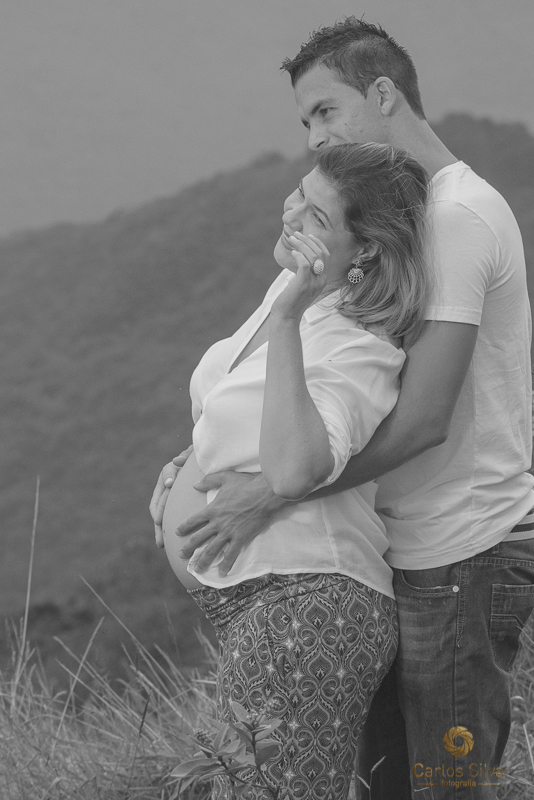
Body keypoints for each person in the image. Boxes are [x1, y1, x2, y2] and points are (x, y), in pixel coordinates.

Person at [151, 18, 534, 799]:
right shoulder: (409, 227)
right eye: (306, 122)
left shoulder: (455, 218)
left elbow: (423, 418)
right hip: (412, 553)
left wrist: (274, 490)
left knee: (445, 785)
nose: (315, 139)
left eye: (326, 111)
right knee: (391, 784)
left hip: (458, 552)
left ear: (385, 93)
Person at [158, 141, 431, 800]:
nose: (290, 213)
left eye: (315, 215)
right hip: (260, 607)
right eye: (297, 193)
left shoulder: (358, 344)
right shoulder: (288, 285)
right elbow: (236, 402)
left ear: (363, 248)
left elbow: (293, 469)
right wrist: (186, 465)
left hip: (308, 608)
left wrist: (288, 318)